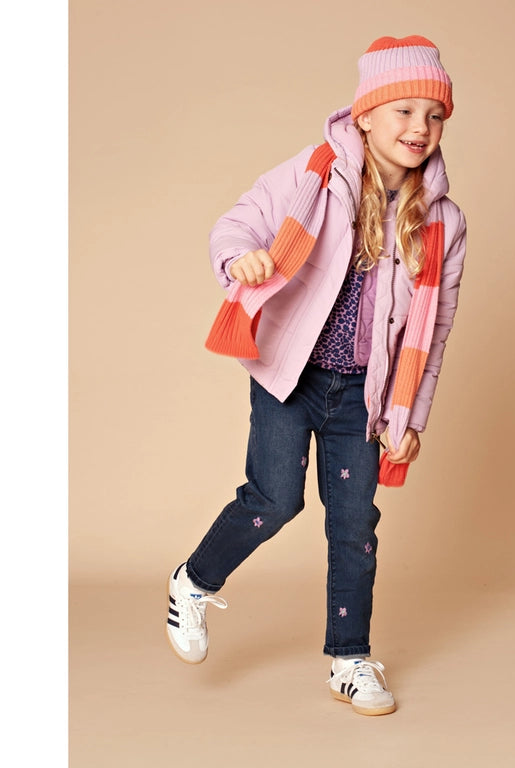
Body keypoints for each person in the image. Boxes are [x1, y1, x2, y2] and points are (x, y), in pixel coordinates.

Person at [165, 35, 467, 717]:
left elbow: (434, 330)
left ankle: (349, 659)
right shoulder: (315, 173)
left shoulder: (442, 222)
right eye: (404, 110)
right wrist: (239, 258)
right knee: (274, 499)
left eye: (434, 115)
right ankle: (193, 581)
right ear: (365, 114)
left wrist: (410, 417)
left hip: (363, 394)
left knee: (355, 524)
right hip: (290, 375)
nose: (420, 127)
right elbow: (238, 222)